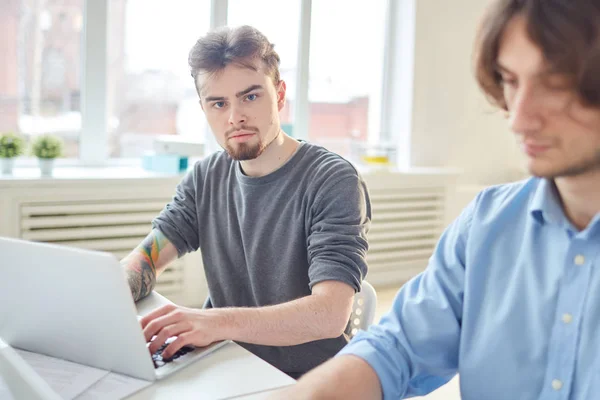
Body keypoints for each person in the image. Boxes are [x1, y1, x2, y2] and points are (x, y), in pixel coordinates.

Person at [276, 0, 600, 398]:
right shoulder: (487, 225)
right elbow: (397, 348)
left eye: (555, 83)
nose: (518, 118)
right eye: (511, 81)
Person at [120, 25, 371, 379]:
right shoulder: (206, 176)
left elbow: (330, 314)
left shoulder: (331, 180)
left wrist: (213, 322)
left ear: (279, 95)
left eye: (250, 97)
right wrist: (110, 293)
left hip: (304, 379)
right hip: (225, 363)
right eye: (218, 103)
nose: (234, 116)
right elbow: (147, 257)